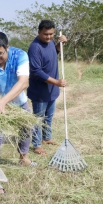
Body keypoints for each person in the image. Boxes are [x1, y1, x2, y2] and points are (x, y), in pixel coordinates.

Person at [0, 32, 37, 193]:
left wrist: (5, 100)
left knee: (27, 128)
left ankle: (23, 157)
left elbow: (24, 81)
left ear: (7, 48)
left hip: (19, 101)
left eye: (0, 53)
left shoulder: (20, 55)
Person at [27, 20, 67, 156]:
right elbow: (36, 71)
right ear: (39, 32)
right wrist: (56, 82)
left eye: (51, 34)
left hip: (52, 90)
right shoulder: (35, 47)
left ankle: (47, 138)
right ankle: (37, 144)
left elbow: (52, 54)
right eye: (45, 34)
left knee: (49, 117)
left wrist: (60, 45)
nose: (49, 37)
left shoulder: (50, 44)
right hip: (40, 91)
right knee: (38, 119)